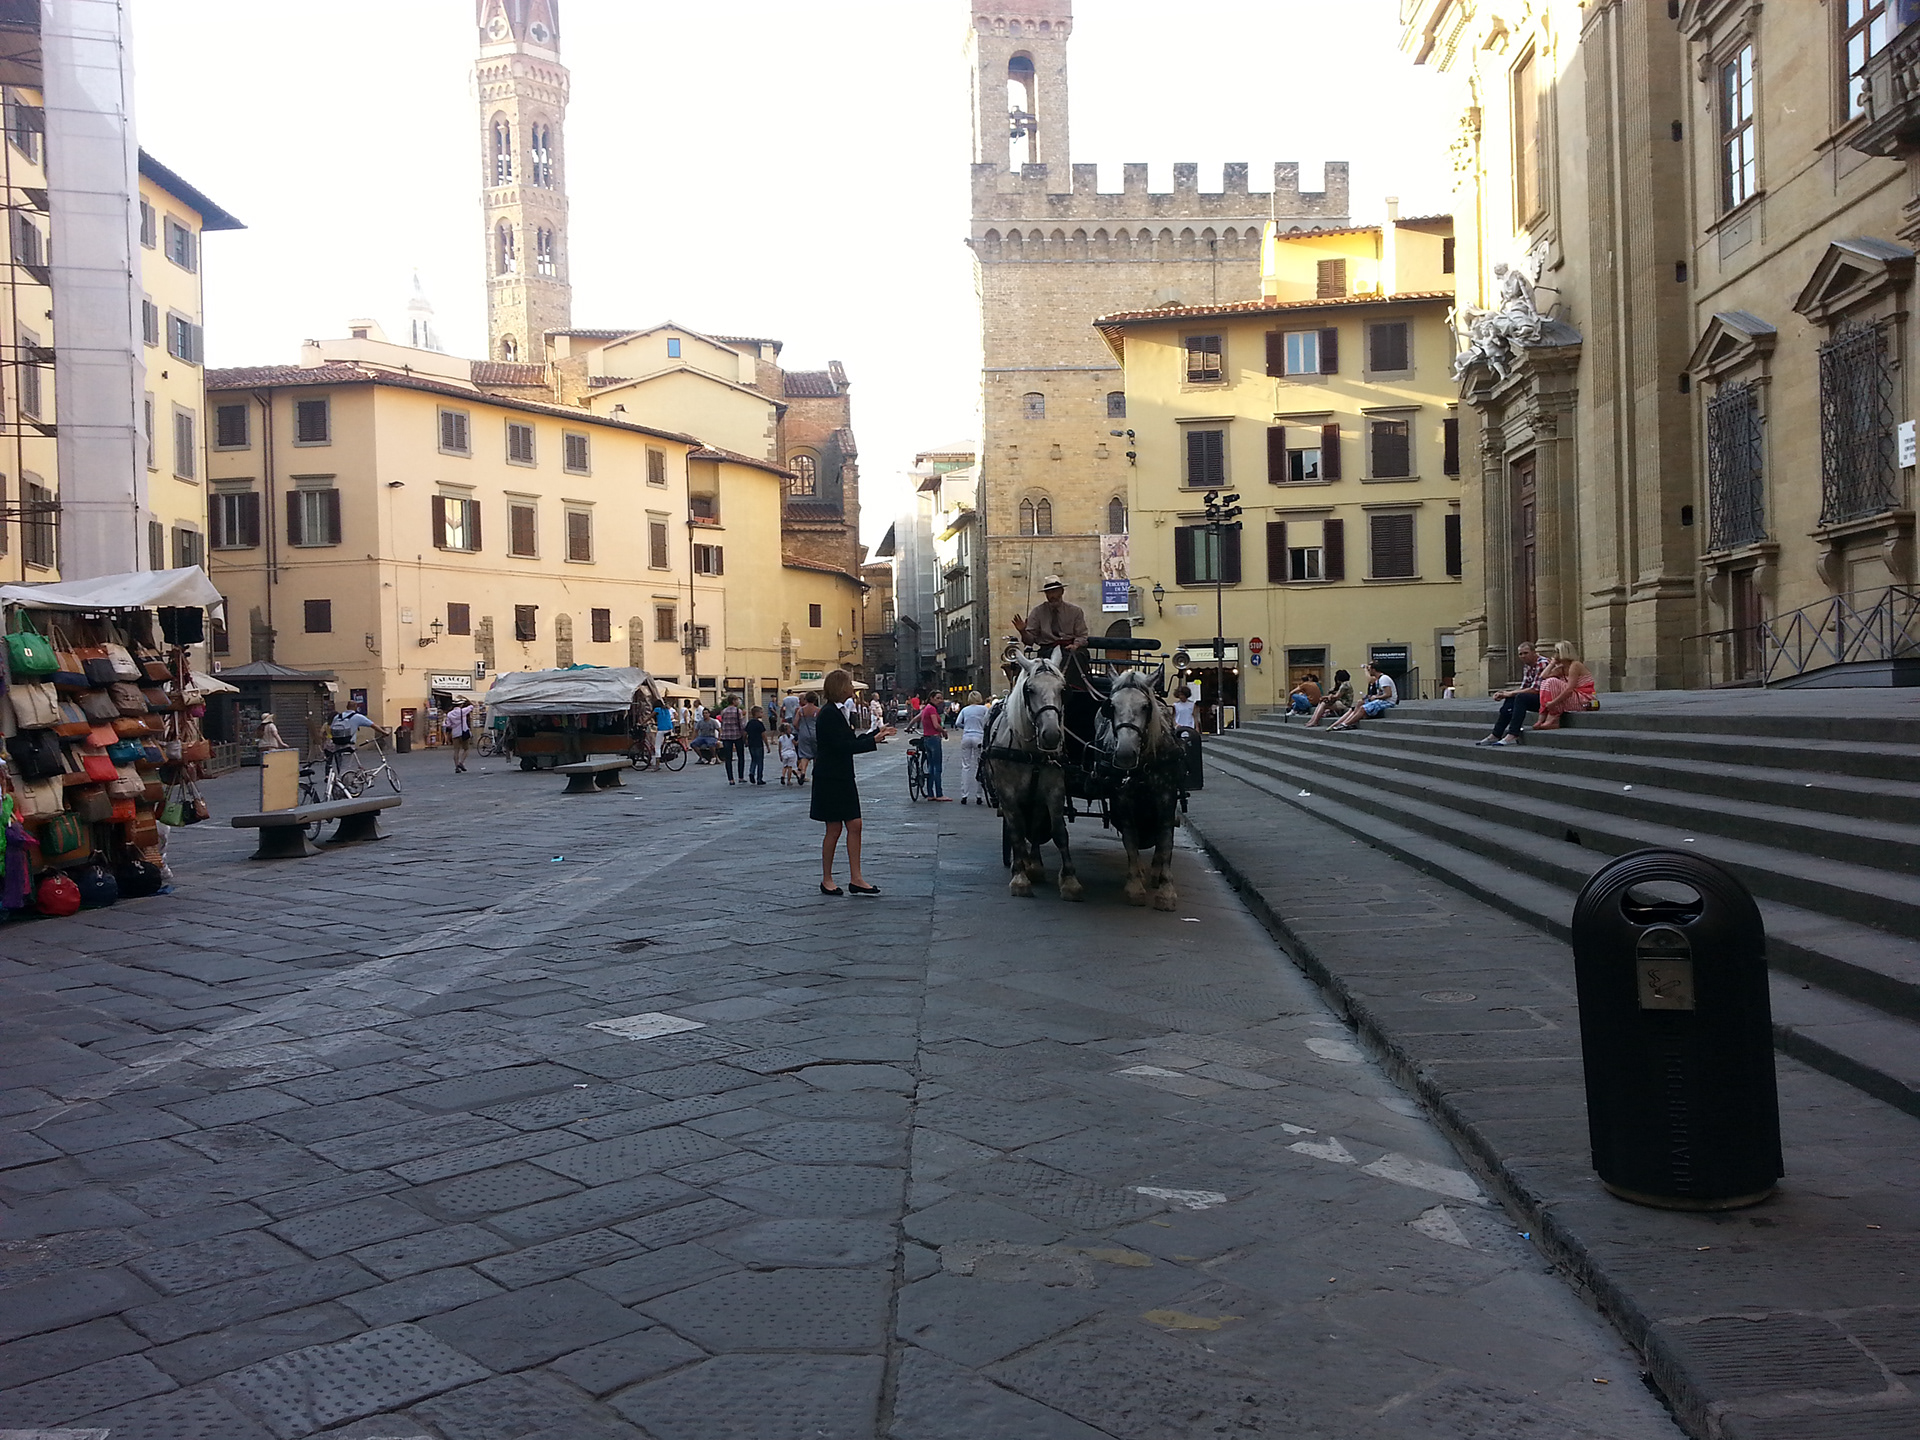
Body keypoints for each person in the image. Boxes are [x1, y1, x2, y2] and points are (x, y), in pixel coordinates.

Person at [812, 669, 896, 895]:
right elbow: (842, 746)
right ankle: (827, 878)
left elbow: (849, 741)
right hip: (830, 778)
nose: (852, 688)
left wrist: (875, 735)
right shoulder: (829, 713)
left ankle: (856, 878)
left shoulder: (841, 712)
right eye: (849, 684)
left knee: (855, 825)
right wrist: (874, 740)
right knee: (834, 828)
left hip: (843, 776)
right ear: (841, 687)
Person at [1476, 642, 1547, 747]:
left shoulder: (1542, 663)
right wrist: (1505, 694)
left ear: (1534, 652)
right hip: (1537, 698)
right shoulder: (1527, 666)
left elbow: (1536, 689)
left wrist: (1510, 693)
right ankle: (1496, 734)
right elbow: (1524, 687)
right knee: (1512, 699)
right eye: (1520, 654)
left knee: (1520, 697)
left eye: (1525, 653)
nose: (1523, 656)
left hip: (1549, 700)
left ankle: (1513, 734)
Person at [1012, 575, 1090, 654]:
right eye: (1049, 592)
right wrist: (1023, 631)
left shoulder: (1075, 611)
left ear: (1062, 591)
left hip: (1071, 649)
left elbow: (1081, 635)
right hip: (1048, 650)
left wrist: (1075, 645)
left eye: (1055, 591)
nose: (1052, 596)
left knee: (1078, 657)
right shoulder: (1037, 612)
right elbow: (1029, 641)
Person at [1534, 642, 1595, 730]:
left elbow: (1569, 689)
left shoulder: (1575, 665)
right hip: (1572, 698)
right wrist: (1552, 663)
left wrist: (1553, 703)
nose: (1554, 655)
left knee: (1552, 681)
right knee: (1546, 682)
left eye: (1556, 652)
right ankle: (1542, 717)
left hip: (1584, 700)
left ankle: (1553, 717)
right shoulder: (1561, 668)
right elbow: (1543, 677)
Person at [1329, 664, 1397, 730]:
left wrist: (1376, 697)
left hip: (1388, 702)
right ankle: (1351, 721)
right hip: (1381, 700)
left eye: (1369, 669)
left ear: (1374, 670)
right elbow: (1381, 693)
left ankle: (1346, 724)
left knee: (1363, 708)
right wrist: (1371, 697)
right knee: (1360, 702)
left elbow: (1388, 694)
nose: (1368, 671)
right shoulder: (1378, 679)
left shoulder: (1384, 679)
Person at [955, 690, 990, 805]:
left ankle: (964, 795)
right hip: (979, 737)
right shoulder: (984, 709)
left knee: (966, 766)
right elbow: (989, 722)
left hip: (966, 737)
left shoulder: (965, 710)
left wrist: (967, 727)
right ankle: (978, 795)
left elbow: (958, 723)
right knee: (979, 766)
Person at [916, 693, 949, 800]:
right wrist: (943, 731)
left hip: (926, 739)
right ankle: (939, 794)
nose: (940, 700)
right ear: (931, 698)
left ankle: (930, 794)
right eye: (937, 698)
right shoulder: (932, 709)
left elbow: (917, 718)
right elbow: (936, 725)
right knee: (937, 767)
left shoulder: (926, 708)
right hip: (934, 739)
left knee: (931, 767)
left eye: (941, 698)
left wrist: (909, 727)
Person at [717, 695, 746, 785]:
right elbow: (741, 725)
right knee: (741, 756)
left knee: (728, 758)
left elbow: (723, 724)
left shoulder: (723, 711)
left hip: (726, 736)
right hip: (737, 735)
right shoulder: (738, 711)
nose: (738, 702)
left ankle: (731, 779)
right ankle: (740, 777)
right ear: (733, 701)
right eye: (737, 700)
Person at [443, 698, 475, 773]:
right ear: (461, 705)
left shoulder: (449, 714)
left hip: (455, 733)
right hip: (463, 732)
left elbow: (448, 725)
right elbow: (471, 706)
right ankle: (461, 762)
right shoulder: (463, 711)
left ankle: (456, 766)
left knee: (456, 751)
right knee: (466, 749)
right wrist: (467, 700)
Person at [795, 693, 819, 784]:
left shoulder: (800, 710)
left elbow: (795, 723)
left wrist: (800, 729)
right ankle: (816, 772)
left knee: (804, 754)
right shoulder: (818, 710)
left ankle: (803, 772)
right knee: (816, 753)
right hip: (815, 733)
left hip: (803, 733)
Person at [744, 705, 768, 784]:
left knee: (753, 759)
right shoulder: (760, 724)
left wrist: (746, 741)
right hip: (758, 744)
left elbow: (745, 733)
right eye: (761, 712)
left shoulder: (749, 723)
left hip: (751, 744)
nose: (762, 714)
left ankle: (751, 772)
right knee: (760, 761)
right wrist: (767, 746)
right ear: (756, 713)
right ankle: (759, 778)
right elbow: (763, 735)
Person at [652, 697, 674, 766]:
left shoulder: (657, 709)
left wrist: (643, 723)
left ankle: (657, 765)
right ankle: (664, 750)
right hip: (669, 728)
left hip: (662, 729)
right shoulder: (666, 709)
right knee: (663, 742)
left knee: (657, 746)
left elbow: (650, 717)